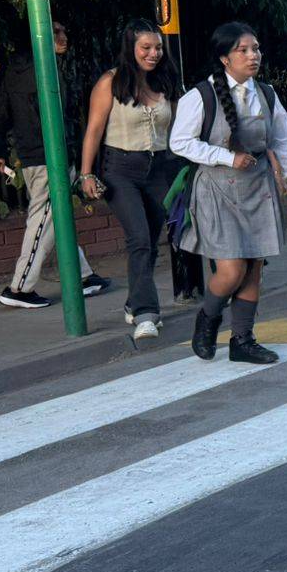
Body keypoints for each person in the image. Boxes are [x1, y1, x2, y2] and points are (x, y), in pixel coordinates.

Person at [169, 21, 287, 364]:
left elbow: (285, 141)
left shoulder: (267, 94)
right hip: (217, 188)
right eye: (243, 50)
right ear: (224, 58)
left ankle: (242, 340)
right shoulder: (201, 96)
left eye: (256, 49)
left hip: (258, 185)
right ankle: (208, 319)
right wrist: (227, 157)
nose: (253, 56)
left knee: (253, 266)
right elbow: (180, 142)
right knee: (232, 269)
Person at [0, 18, 111, 308]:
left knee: (57, 217)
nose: (63, 37)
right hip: (47, 158)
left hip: (40, 156)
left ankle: (83, 276)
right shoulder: (41, 72)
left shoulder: (18, 70)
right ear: (38, 36)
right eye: (55, 32)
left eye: (64, 31)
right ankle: (19, 288)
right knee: (42, 220)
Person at [77, 20, 182, 340]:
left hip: (159, 168)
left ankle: (134, 300)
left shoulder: (166, 81)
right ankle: (146, 314)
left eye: (158, 48)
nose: (153, 53)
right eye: (145, 47)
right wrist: (86, 173)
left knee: (151, 239)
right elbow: (94, 130)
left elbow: (179, 128)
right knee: (139, 237)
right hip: (120, 169)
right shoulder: (110, 82)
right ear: (131, 48)